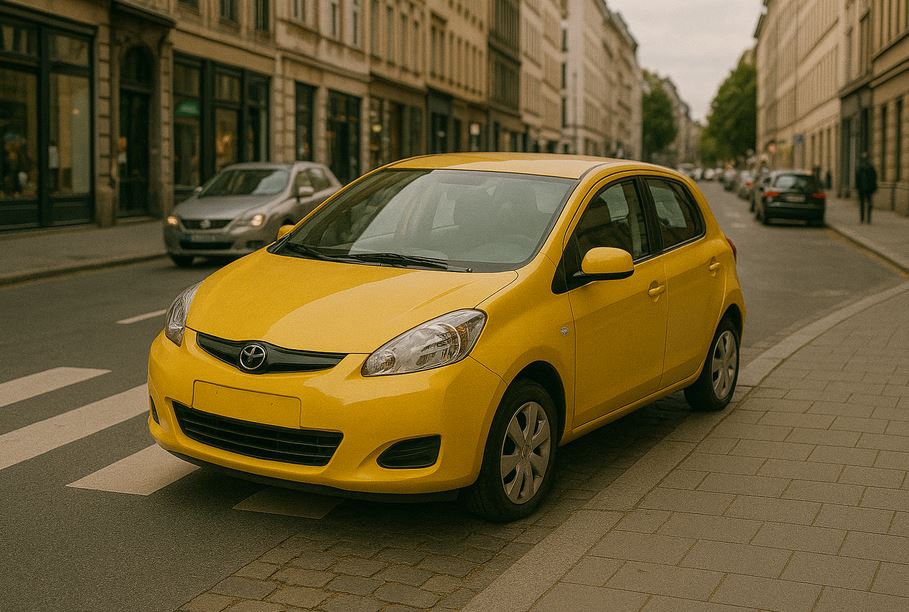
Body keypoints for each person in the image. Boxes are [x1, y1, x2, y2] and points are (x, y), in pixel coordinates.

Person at [855, 152, 878, 224]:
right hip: (863, 188)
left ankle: (867, 219)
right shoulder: (861, 168)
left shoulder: (868, 168)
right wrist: (857, 187)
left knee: (867, 203)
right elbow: (857, 179)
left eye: (865, 159)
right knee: (864, 204)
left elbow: (874, 178)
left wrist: (874, 187)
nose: (865, 160)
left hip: (867, 188)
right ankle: (863, 219)